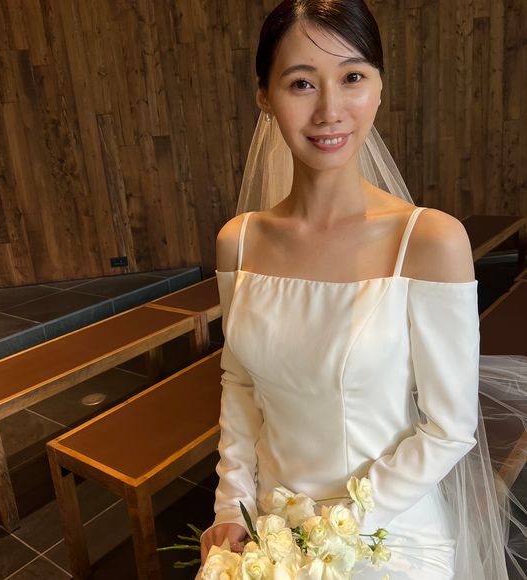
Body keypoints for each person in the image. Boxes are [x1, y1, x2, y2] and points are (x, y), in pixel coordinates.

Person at [199, 1, 525, 578]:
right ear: (264, 95)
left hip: (387, 534)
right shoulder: (239, 242)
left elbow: (448, 429)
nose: (330, 110)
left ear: (378, 88)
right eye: (301, 83)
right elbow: (241, 382)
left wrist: (330, 532)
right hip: (271, 532)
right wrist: (233, 507)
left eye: (352, 77)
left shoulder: (428, 241)